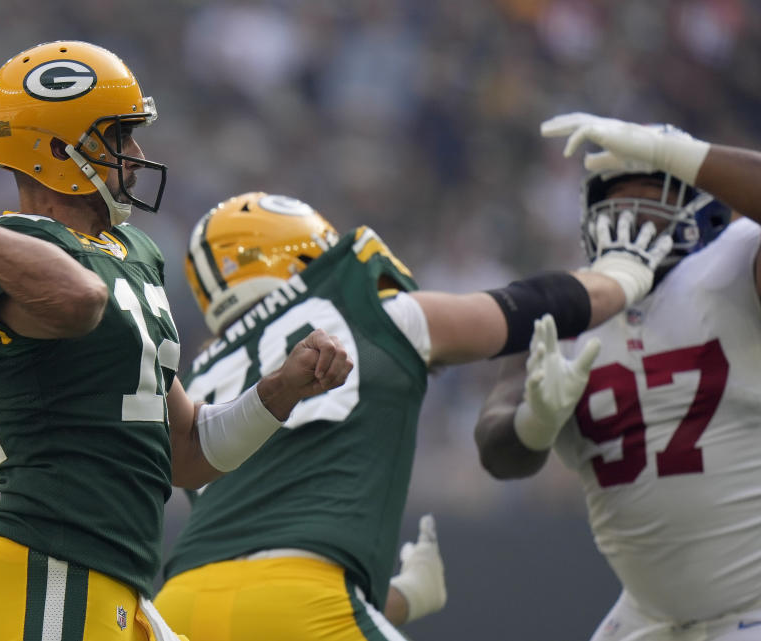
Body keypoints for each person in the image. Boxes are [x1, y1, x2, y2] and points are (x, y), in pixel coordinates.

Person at [0, 41, 353, 641]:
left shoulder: (133, 254)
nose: (137, 155)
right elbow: (78, 300)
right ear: (60, 150)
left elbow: (187, 452)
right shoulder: (1, 252)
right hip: (53, 568)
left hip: (118, 582)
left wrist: (280, 390)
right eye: (119, 137)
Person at [153, 186, 674, 640]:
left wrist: (397, 599)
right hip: (303, 597)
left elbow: (247, 570)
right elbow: (524, 307)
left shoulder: (198, 376)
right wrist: (621, 276)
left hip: (177, 606)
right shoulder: (374, 315)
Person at [474, 113, 761, 641]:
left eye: (653, 191)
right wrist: (535, 422)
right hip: (647, 616)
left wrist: (683, 152)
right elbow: (496, 449)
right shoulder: (570, 302)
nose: (627, 211)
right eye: (614, 196)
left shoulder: (738, 264)